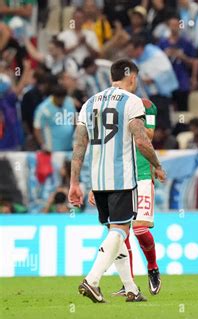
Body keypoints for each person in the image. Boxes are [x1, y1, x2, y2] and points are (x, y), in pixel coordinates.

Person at [68, 58, 166, 303]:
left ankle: (131, 289)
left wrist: (74, 183)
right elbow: (143, 140)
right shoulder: (132, 102)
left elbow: (79, 146)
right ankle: (92, 280)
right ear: (131, 77)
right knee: (121, 231)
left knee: (115, 233)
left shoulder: (89, 103)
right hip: (122, 179)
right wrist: (157, 164)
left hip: (98, 181)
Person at [89, 98, 162, 296]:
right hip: (119, 177)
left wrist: (127, 124)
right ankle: (128, 283)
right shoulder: (105, 108)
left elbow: (148, 135)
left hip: (143, 174)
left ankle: (153, 267)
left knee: (139, 229)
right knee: (121, 231)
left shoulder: (146, 105)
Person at [33, 85, 76, 152]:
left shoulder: (69, 102)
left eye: (63, 99)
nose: (61, 101)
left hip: (70, 147)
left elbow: (75, 120)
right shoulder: (43, 109)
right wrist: (43, 145)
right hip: (52, 149)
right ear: (54, 96)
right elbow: (37, 129)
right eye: (59, 99)